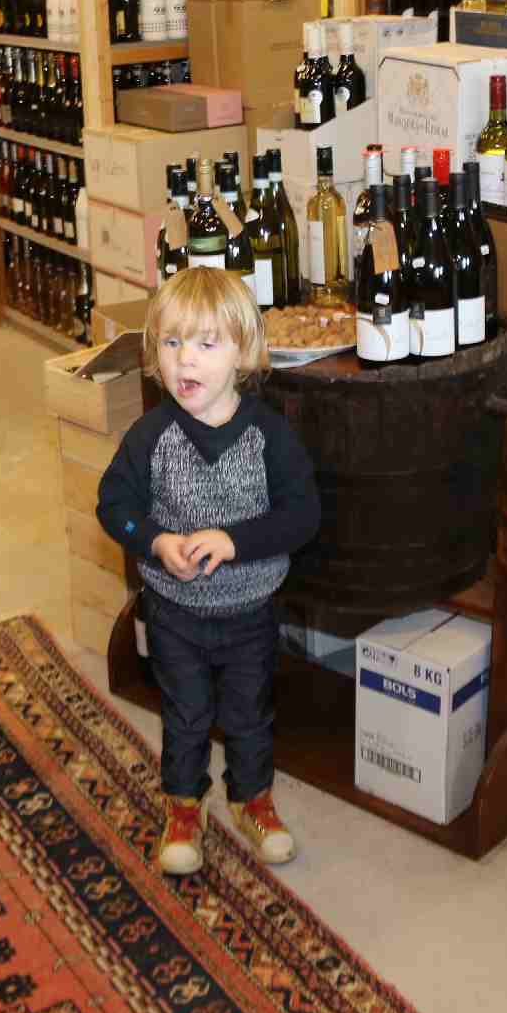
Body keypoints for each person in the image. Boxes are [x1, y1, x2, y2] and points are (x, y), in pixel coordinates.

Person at [94, 269, 321, 878]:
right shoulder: (151, 436)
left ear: (242, 353)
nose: (184, 359)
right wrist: (154, 539)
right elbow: (113, 504)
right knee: (185, 714)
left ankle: (252, 801)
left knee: (249, 714)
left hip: (251, 613)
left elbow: (302, 515)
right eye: (171, 343)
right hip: (175, 614)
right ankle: (183, 807)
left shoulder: (269, 436)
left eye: (205, 343)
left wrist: (235, 541)